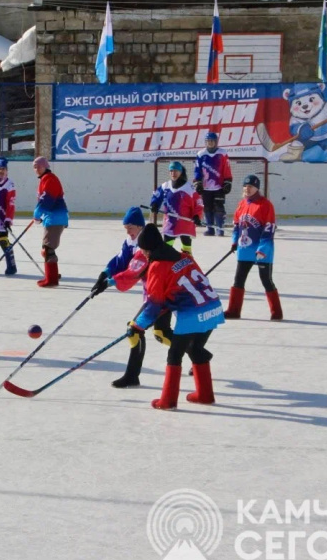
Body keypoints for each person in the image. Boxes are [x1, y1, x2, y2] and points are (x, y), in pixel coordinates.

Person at [109, 224, 224, 409]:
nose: (144, 254)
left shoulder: (157, 266)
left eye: (144, 250)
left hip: (192, 315)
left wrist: (138, 326)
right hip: (214, 308)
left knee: (174, 355)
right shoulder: (185, 257)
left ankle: (168, 401)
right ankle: (205, 395)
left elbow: (154, 303)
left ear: (150, 249)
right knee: (194, 349)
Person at [90, 206, 150, 388]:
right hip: (152, 291)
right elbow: (121, 260)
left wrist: (110, 283)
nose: (128, 231)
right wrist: (105, 273)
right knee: (161, 333)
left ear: (139, 226)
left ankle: (132, 376)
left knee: (136, 330)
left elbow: (133, 272)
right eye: (126, 228)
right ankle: (194, 351)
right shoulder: (130, 241)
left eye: (130, 227)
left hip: (162, 292)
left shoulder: (145, 243)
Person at [225, 174, 283, 321]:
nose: (247, 189)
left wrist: (262, 249)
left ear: (256, 188)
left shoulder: (266, 205)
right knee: (238, 280)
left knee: (266, 281)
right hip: (245, 249)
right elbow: (237, 226)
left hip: (262, 252)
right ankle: (233, 311)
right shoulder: (242, 204)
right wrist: (234, 242)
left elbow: (269, 228)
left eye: (250, 186)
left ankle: (277, 312)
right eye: (245, 186)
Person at [149, 161, 204, 256]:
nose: (173, 173)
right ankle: (167, 264)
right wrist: (154, 204)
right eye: (171, 171)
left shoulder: (189, 187)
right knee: (166, 246)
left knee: (186, 246)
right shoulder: (165, 186)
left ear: (181, 172)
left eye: (176, 171)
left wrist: (196, 216)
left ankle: (187, 263)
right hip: (170, 221)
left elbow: (198, 203)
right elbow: (157, 196)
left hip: (185, 222)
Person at [32, 156, 68, 288]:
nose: (36, 169)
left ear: (45, 166)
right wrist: (40, 215)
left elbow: (47, 199)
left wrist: (37, 214)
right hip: (51, 217)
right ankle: (52, 274)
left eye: (39, 166)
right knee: (46, 249)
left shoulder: (50, 179)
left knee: (48, 249)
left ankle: (52, 279)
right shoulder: (44, 179)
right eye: (35, 167)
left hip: (56, 218)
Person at [193, 132, 232, 236]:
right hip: (206, 188)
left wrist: (228, 181)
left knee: (219, 208)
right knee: (207, 208)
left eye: (212, 141)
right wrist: (197, 182)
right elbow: (197, 169)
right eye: (208, 141)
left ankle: (220, 228)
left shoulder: (222, 153)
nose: (210, 143)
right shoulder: (201, 154)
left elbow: (226, 168)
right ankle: (210, 228)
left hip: (219, 187)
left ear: (216, 142)